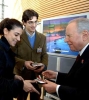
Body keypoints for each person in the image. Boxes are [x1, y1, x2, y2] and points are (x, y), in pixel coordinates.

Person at [42, 18, 89, 100]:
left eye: (69, 36)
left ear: (84, 35)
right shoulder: (83, 53)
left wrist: (57, 88)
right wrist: (56, 75)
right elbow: (76, 79)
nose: (65, 40)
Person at [12, 9, 48, 100]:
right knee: (21, 98)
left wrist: (43, 65)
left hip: (37, 75)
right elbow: (11, 56)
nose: (34, 25)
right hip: (21, 75)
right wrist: (24, 63)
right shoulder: (17, 36)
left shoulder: (42, 37)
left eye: (36, 22)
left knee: (36, 97)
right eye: (30, 22)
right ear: (23, 22)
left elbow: (44, 54)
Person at [0, 18, 40, 100]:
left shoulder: (6, 48)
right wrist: (22, 85)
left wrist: (13, 76)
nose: (18, 39)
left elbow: (3, 71)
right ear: (6, 31)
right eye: (16, 34)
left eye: (19, 36)